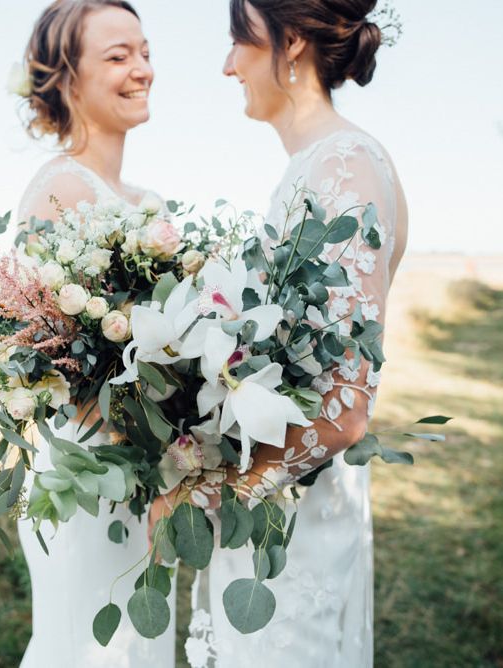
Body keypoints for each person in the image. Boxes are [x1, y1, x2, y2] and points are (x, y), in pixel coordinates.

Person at [150, 1, 408, 666]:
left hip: (291, 525)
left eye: (239, 41)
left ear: (290, 43)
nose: (228, 64)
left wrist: (208, 494)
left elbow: (345, 408)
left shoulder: (344, 166)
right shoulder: (316, 168)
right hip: (277, 506)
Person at [13, 2, 176, 666]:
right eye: (117, 56)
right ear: (66, 79)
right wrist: (159, 433)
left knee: (144, 646)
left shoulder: (147, 203)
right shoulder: (60, 192)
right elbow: (43, 361)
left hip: (147, 474)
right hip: (86, 480)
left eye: (144, 51)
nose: (141, 70)